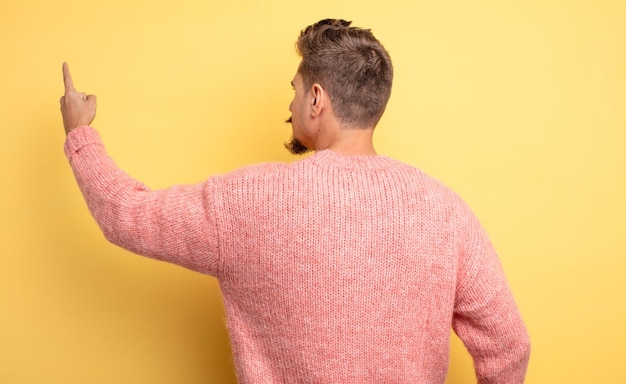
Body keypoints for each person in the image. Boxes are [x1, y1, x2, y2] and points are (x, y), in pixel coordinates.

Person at [61, 19, 530, 384]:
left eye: (295, 90)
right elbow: (508, 345)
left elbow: (125, 215)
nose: (290, 105)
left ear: (317, 98)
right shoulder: (445, 211)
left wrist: (80, 133)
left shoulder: (246, 202)